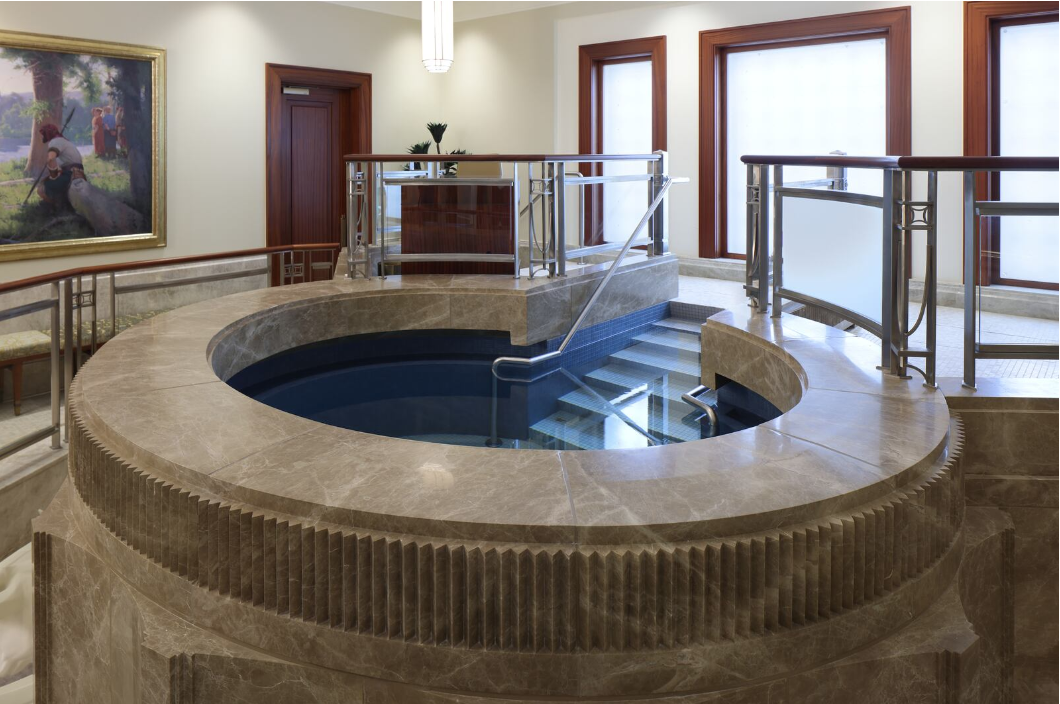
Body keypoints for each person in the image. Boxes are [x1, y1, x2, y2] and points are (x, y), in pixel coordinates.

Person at [35, 123, 86, 209]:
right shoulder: (63, 141)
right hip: (78, 173)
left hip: (69, 175)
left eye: (43, 134)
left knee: (41, 188)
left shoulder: (54, 141)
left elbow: (51, 158)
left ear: (47, 134)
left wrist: (53, 175)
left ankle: (58, 207)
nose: (42, 137)